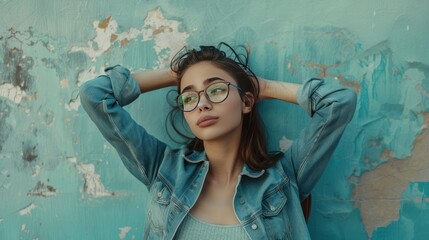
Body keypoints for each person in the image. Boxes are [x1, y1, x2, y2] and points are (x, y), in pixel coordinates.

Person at [80, 42, 357, 239]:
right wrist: (176, 74)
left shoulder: (285, 176)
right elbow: (95, 95)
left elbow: (339, 102)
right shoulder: (162, 167)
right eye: (189, 96)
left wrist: (264, 87)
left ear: (246, 102)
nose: (202, 103)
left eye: (216, 89)